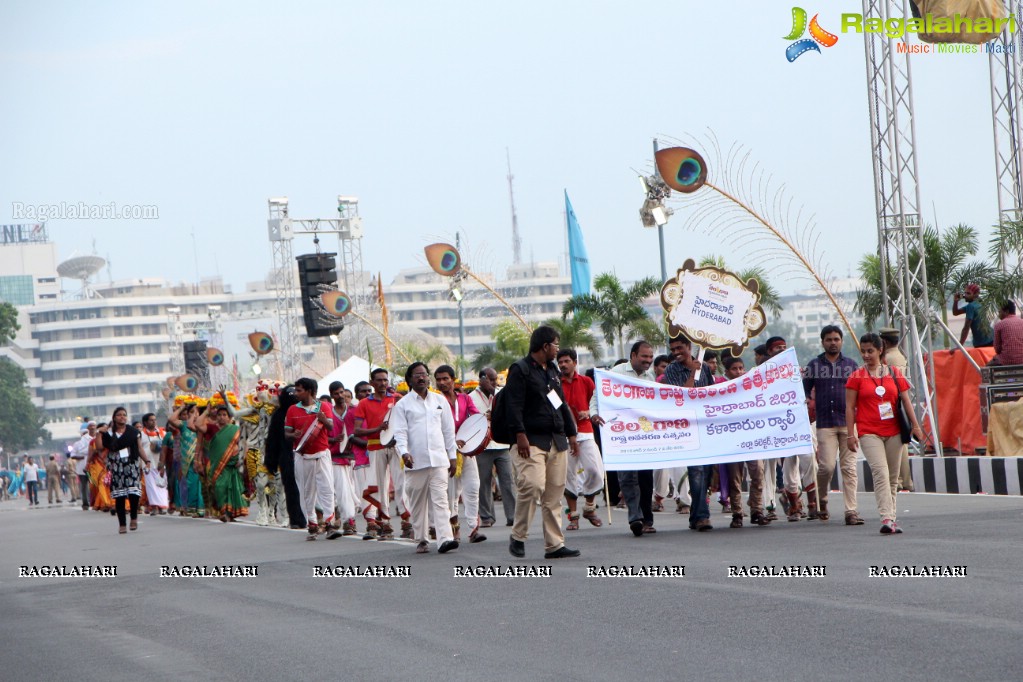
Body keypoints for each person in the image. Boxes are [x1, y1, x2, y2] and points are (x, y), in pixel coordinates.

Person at [504, 325, 580, 559]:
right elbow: (513, 405)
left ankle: (554, 545)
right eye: (556, 344)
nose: (558, 348)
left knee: (554, 495)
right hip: (531, 439)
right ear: (545, 346)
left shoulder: (552, 370)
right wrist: (520, 435)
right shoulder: (521, 369)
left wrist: (571, 433)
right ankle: (518, 536)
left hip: (556, 439)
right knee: (533, 485)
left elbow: (560, 403)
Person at [846, 333, 924, 535]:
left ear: (880, 350)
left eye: (870, 351)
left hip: (894, 432)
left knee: (892, 476)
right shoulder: (856, 377)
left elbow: (906, 401)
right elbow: (849, 407)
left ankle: (892, 519)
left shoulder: (895, 373)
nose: (866, 355)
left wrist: (916, 426)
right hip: (868, 432)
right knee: (880, 473)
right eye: (863, 351)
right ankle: (886, 517)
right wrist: (850, 434)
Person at [391, 362, 459, 554]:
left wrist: (452, 456)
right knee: (418, 503)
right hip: (415, 461)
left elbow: (448, 430)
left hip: (438, 460)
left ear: (428, 377)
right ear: (410, 379)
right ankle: (421, 538)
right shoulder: (403, 404)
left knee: (441, 500)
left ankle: (445, 539)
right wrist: (404, 452)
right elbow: (400, 432)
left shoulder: (439, 401)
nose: (421, 378)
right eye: (417, 375)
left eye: (424, 374)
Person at [592, 340, 658, 536]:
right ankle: (635, 518)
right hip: (621, 432)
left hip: (643, 433)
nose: (648, 360)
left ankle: (647, 519)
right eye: (644, 356)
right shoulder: (616, 373)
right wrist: (594, 414)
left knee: (646, 478)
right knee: (627, 476)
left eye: (650, 357)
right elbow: (597, 396)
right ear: (633, 356)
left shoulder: (650, 376)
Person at [804, 325, 861, 525]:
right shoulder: (813, 365)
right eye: (829, 339)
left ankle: (851, 511)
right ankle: (823, 500)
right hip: (825, 424)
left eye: (836, 339)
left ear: (841, 341)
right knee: (826, 467)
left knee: (849, 468)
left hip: (848, 425)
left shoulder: (852, 365)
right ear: (822, 342)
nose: (833, 342)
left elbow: (860, 395)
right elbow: (803, 391)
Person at [662, 336, 717, 531]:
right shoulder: (671, 370)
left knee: (706, 472)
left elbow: (712, 393)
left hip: (705, 426)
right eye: (673, 349)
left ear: (689, 346)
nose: (676, 352)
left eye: (680, 348)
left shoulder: (706, 369)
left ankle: (696, 515)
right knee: (696, 471)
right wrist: (694, 370)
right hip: (687, 427)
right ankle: (703, 516)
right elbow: (682, 396)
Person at [354, 368, 410, 540]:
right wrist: (377, 429)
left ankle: (406, 522)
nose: (383, 383)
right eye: (379, 380)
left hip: (395, 447)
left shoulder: (396, 400)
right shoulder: (363, 403)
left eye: (385, 380)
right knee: (381, 487)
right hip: (375, 447)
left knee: (401, 484)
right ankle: (385, 525)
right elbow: (357, 431)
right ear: (372, 383)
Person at [435, 364, 484, 543]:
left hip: (466, 450)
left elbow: (476, 418)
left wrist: (475, 435)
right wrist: (452, 442)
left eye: (445, 379)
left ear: (453, 380)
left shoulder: (464, 398)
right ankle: (454, 529)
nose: (442, 382)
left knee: (472, 487)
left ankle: (473, 528)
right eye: (438, 379)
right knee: (451, 493)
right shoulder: (435, 401)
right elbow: (433, 427)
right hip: (446, 452)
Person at [556, 348, 604, 531]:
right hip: (564, 436)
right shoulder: (555, 385)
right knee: (568, 476)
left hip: (585, 432)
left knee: (595, 470)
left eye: (566, 361)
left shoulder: (586, 381)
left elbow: (596, 402)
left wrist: (590, 413)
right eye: (560, 362)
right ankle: (573, 516)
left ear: (575, 362)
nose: (563, 365)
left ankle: (590, 507)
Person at [285, 377, 336, 540]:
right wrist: (293, 435)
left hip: (321, 454)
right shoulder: (292, 410)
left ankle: (329, 524)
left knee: (327, 489)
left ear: (310, 391)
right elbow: (286, 434)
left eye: (299, 390)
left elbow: (330, 428)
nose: (296, 393)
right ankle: (312, 525)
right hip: (302, 455)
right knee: (307, 492)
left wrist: (323, 420)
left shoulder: (325, 407)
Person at [469, 367, 516, 529]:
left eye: (496, 379)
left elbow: (510, 414)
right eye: (491, 379)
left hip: (502, 443)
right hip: (482, 446)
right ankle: (487, 517)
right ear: (482, 379)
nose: (495, 383)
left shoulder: (501, 394)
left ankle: (513, 516)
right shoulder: (471, 397)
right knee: (484, 482)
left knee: (508, 481)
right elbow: (470, 421)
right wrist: (484, 417)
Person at [100, 407, 153, 534]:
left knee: (134, 494)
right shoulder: (109, 434)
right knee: (120, 496)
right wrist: (100, 433)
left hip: (131, 465)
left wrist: (147, 461)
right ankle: (122, 523)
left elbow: (140, 448)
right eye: (119, 415)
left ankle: (133, 518)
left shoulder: (133, 432)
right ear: (114, 417)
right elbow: (100, 447)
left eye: (124, 415)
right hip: (117, 467)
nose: (122, 417)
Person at [325, 380, 362, 539]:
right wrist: (333, 441)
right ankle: (349, 521)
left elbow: (361, 430)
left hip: (355, 457)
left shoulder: (354, 411)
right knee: (343, 491)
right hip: (336, 459)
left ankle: (350, 516)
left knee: (355, 492)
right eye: (336, 393)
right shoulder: (328, 414)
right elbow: (322, 437)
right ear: (332, 395)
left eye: (342, 393)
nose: (340, 396)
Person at [879, 327, 914, 493]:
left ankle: (900, 480)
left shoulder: (889, 359)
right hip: (896, 404)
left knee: (897, 445)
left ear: (884, 342)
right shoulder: (898, 356)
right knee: (901, 444)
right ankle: (904, 480)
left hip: (890, 405)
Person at [206, 403, 247, 522]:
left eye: (224, 415)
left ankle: (228, 513)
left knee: (232, 488)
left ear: (230, 417)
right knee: (220, 487)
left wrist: (241, 458)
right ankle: (224, 511)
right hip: (217, 464)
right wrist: (206, 411)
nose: (221, 417)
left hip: (233, 463)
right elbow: (197, 425)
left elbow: (243, 444)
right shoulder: (213, 429)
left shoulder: (235, 430)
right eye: (219, 415)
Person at [169, 403, 204, 518]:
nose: (195, 414)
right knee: (192, 484)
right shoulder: (184, 425)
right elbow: (171, 419)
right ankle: (193, 508)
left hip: (201, 459)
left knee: (202, 484)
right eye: (191, 411)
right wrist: (182, 408)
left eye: (197, 411)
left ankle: (203, 509)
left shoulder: (202, 425)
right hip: (188, 461)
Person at [952, 283, 994, 348]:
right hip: (992, 338)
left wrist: (959, 346)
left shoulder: (970, 306)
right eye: (965, 293)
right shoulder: (980, 302)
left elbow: (966, 327)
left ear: (975, 295)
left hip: (982, 343)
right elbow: (956, 312)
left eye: (968, 293)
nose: (965, 295)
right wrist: (956, 301)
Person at [87, 426, 114, 513]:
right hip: (97, 466)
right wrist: (87, 465)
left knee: (108, 485)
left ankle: (103, 503)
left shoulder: (111, 439)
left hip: (110, 465)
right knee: (101, 484)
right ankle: (106, 503)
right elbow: (89, 456)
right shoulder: (92, 442)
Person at [989, 300, 1023, 366]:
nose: (998, 314)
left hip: (1005, 361)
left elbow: (997, 349)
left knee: (985, 370)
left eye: (999, 311)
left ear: (1006, 311)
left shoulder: (999, 325)